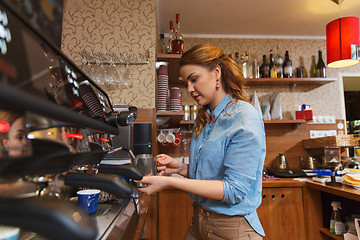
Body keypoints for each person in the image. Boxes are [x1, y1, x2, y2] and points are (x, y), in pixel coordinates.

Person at [137, 44, 266, 239]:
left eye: (194, 79)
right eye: (186, 83)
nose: (189, 89)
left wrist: (169, 183)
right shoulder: (206, 118)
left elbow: (233, 190)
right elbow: (213, 176)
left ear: (216, 73)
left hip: (231, 229)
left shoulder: (244, 116)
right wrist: (180, 168)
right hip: (197, 222)